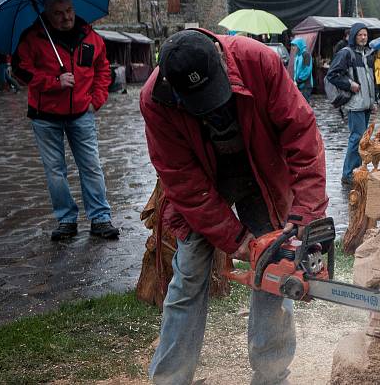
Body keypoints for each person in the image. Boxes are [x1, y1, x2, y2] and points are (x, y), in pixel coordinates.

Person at [140, 29, 328, 385]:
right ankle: (170, 379)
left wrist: (305, 214)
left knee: (275, 266)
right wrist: (239, 241)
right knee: (190, 274)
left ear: (220, 56)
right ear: (172, 86)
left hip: (261, 169)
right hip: (201, 179)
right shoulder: (155, 101)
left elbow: (302, 134)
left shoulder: (258, 61)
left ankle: (272, 375)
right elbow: (183, 181)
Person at [11, 0, 118, 240]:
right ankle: (66, 219)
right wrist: (53, 81)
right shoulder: (34, 37)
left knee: (91, 166)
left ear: (74, 8)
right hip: (45, 115)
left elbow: (103, 70)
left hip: (82, 112)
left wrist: (97, 100)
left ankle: (100, 218)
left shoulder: (91, 37)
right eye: (58, 13)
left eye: (68, 11)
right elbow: (20, 70)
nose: (65, 17)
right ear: (47, 13)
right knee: (55, 171)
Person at [326, 22, 376, 186]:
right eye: (360, 34)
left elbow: (371, 79)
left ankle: (357, 171)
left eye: (365, 35)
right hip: (354, 103)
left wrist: (373, 101)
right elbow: (332, 75)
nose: (363, 37)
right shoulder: (346, 54)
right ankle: (347, 174)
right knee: (356, 138)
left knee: (363, 139)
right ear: (354, 36)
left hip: (366, 103)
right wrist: (349, 84)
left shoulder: (369, 54)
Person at [290, 37, 313, 102]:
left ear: (299, 45)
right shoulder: (297, 56)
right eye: (292, 46)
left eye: (294, 45)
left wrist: (298, 80)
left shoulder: (306, 55)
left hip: (306, 85)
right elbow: (296, 71)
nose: (293, 48)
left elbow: (307, 70)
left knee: (304, 104)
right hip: (298, 84)